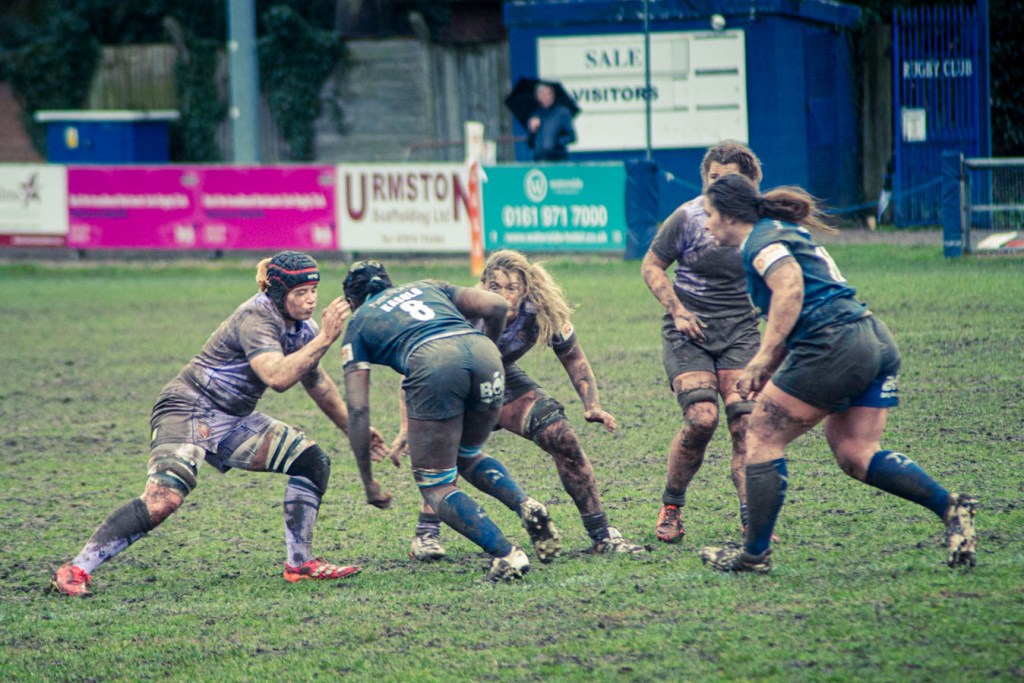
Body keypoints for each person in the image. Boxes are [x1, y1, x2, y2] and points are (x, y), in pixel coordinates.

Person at [50, 251, 388, 597]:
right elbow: (277, 377)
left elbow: (315, 381)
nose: (311, 299)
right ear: (278, 293)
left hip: (235, 419)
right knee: (164, 498)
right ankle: (75, 569)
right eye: (300, 292)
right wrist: (325, 339)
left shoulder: (305, 329)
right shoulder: (257, 317)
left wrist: (352, 428)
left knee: (312, 462)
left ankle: (300, 564)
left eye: (313, 289)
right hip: (189, 407)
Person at [696, 174, 977, 573]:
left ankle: (754, 554)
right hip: (872, 337)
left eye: (709, 215)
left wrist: (760, 360)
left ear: (727, 215)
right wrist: (769, 367)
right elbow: (805, 300)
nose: (706, 224)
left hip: (834, 345)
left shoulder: (759, 241)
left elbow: (791, 290)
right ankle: (950, 507)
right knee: (855, 452)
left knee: (759, 435)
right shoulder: (783, 230)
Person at [393, 250, 643, 561]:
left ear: (525, 289)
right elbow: (415, 372)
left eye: (512, 287)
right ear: (482, 285)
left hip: (501, 380)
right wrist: (407, 426)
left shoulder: (541, 312)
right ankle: (426, 535)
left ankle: (602, 534)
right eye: (495, 286)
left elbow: (574, 358)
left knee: (562, 436)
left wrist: (592, 404)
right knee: (446, 458)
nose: (503, 294)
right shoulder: (460, 313)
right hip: (452, 385)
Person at [339, 259, 561, 582]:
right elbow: (497, 306)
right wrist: (491, 347)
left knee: (436, 484)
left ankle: (506, 555)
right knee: (466, 455)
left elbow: (358, 410)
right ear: (389, 283)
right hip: (484, 355)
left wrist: (368, 480)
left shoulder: (358, 322)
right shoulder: (427, 286)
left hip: (436, 364)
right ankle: (525, 504)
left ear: (351, 303)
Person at [640, 141, 765, 544]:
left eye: (731, 179)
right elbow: (652, 266)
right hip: (688, 331)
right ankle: (672, 505)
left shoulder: (764, 227)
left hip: (742, 333)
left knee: (745, 425)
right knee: (702, 419)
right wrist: (677, 310)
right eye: (714, 178)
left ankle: (753, 520)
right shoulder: (689, 217)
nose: (721, 187)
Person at [527, 82, 576, 162]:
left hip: (557, 159)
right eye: (543, 94)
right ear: (538, 97)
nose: (547, 97)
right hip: (540, 160)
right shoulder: (535, 114)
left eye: (549, 94)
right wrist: (533, 131)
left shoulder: (562, 112)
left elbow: (572, 137)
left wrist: (556, 142)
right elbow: (530, 143)